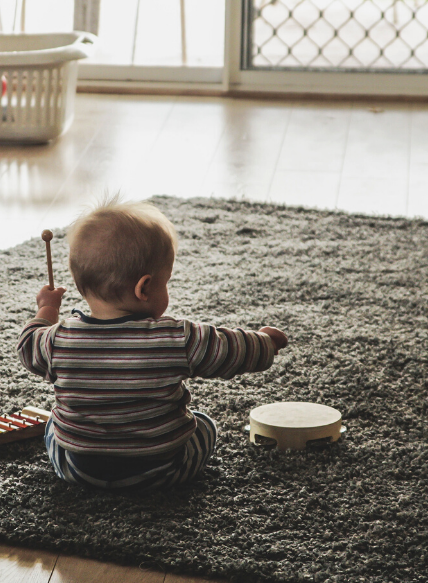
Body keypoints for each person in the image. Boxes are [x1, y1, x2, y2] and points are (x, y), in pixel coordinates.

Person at [17, 198, 288, 491]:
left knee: (52, 427)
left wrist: (47, 309)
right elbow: (230, 349)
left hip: (80, 470)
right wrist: (265, 342)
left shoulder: (57, 340)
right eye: (166, 281)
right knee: (205, 424)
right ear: (144, 287)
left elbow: (27, 345)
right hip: (162, 470)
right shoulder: (176, 338)